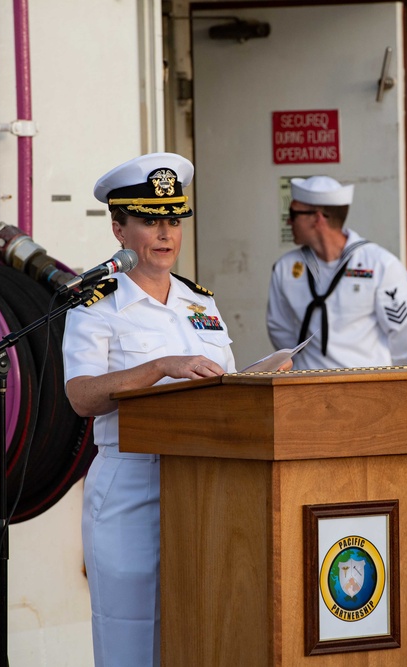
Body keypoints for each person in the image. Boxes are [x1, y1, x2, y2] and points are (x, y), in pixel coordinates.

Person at [63, 153, 282, 666]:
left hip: (203, 484)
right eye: (148, 220)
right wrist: (161, 365)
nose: (164, 234)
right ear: (118, 228)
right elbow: (82, 396)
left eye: (172, 221)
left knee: (202, 624)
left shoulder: (199, 303)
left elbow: (218, 384)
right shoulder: (94, 303)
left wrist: (260, 381)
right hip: (131, 485)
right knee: (131, 635)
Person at [266, 175, 407, 370]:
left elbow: (405, 334)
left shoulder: (380, 265)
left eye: (293, 213)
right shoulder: (285, 268)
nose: (288, 221)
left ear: (317, 218)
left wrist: (389, 378)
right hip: (307, 387)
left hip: (365, 386)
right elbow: (280, 329)